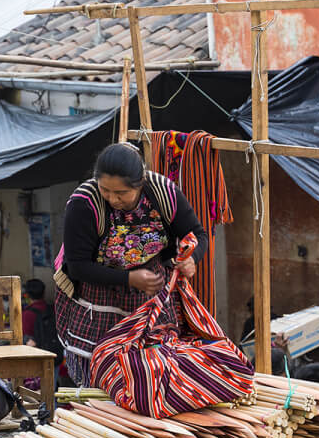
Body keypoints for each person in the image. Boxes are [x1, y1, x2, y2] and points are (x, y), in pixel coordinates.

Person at [53, 143, 208, 386]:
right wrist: (129, 279)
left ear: (140, 183)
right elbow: (78, 266)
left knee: (150, 365)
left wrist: (192, 258)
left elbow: (197, 234)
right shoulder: (84, 203)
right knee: (100, 369)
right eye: (105, 190)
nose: (113, 199)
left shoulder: (164, 194)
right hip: (97, 292)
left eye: (122, 193)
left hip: (150, 288)